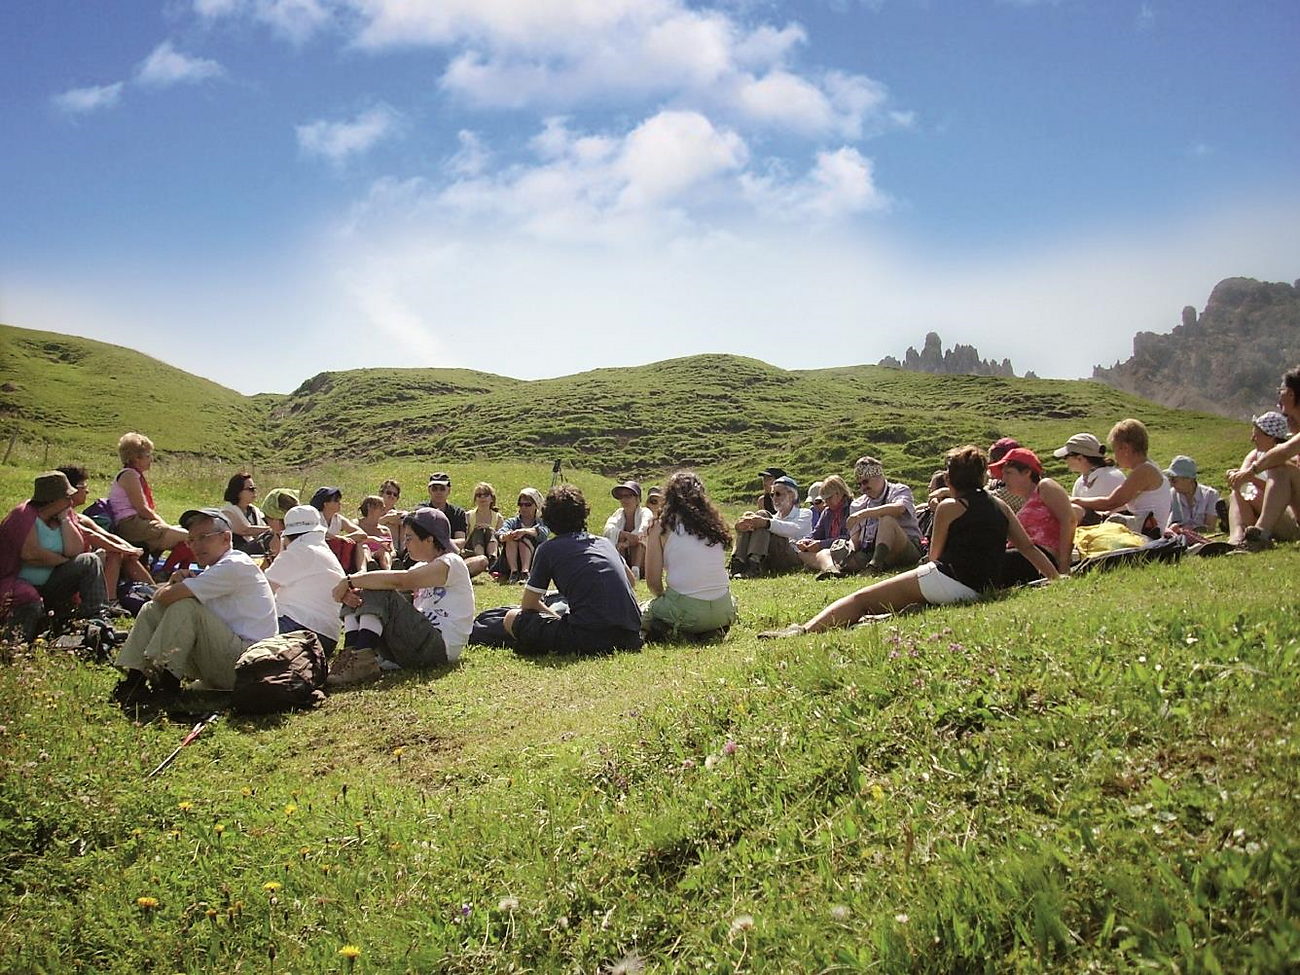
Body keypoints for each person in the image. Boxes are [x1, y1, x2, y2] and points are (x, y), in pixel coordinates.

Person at [759, 446, 1059, 638]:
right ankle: (898, 610)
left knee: (861, 599)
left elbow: (935, 557)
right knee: (903, 596)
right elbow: (1027, 548)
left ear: (950, 481)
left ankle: (804, 630)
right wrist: (1056, 577)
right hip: (981, 586)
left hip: (948, 580)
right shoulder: (1001, 506)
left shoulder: (950, 507)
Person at [113, 508, 277, 701]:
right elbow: (158, 602)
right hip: (229, 655)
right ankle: (134, 681)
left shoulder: (234, 565)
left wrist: (174, 586)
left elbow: (165, 597)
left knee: (185, 606)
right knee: (153, 610)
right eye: (191, 540)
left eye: (203, 538)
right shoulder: (216, 568)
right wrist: (175, 583)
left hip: (247, 666)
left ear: (226, 538)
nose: (196, 546)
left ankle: (167, 686)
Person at [327, 508, 474, 686]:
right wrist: (355, 591)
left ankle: (362, 658)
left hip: (437, 647)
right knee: (367, 586)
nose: (405, 544)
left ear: (429, 539)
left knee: (380, 583)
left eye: (409, 538)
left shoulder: (452, 562)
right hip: (414, 643)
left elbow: (401, 581)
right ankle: (352, 654)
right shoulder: (421, 566)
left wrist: (350, 581)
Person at [503, 485, 644, 655]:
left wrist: (556, 618)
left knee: (511, 617)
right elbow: (631, 581)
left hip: (587, 637)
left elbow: (529, 604)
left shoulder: (548, 549)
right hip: (630, 636)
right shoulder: (604, 543)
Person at [1, 471, 110, 639]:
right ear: (53, 499)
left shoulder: (65, 515)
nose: (71, 501)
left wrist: (65, 520)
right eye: (67, 497)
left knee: (90, 560)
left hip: (52, 581)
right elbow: (31, 555)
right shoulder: (23, 516)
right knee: (27, 595)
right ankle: (20, 641)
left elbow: (76, 550)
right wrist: (63, 561)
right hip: (19, 582)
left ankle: (97, 621)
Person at [642, 472, 737, 638]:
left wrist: (663, 599)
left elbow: (653, 582)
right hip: (725, 609)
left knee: (639, 611)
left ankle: (678, 629)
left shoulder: (660, 527)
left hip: (685, 609)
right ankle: (709, 628)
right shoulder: (714, 525)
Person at [56, 464, 151, 601]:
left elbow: (106, 535)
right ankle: (109, 601)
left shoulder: (79, 517)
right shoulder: (61, 516)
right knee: (114, 554)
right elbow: (92, 536)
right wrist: (123, 549)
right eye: (84, 486)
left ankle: (154, 592)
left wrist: (130, 549)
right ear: (72, 490)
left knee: (125, 554)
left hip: (82, 561)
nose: (87, 491)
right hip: (69, 566)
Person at [264, 505, 346, 653]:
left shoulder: (298, 552)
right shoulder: (320, 549)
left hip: (300, 628)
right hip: (326, 637)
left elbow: (262, 591)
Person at [1071, 419, 1171, 538]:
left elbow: (1110, 502)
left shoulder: (1144, 471)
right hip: (1144, 528)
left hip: (1145, 533)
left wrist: (1074, 500)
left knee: (1077, 512)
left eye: (1115, 450)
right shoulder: (1149, 468)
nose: (1115, 456)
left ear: (1125, 448)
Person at [988, 447, 1075, 582]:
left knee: (989, 563)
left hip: (1042, 556)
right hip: (1027, 556)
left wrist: (1064, 565)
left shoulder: (1045, 486)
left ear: (1027, 472)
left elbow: (1069, 520)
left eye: (1008, 473)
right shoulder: (1025, 502)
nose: (1003, 479)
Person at [1225, 410, 1300, 549]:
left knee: (1243, 488)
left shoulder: (1288, 461)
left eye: (1256, 435)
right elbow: (1240, 481)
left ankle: (1246, 535)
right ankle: (1238, 537)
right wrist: (1234, 476)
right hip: (1264, 515)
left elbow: (1280, 494)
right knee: (1238, 490)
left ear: (1271, 437)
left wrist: (1247, 478)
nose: (1252, 439)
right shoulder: (1254, 455)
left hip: (1287, 516)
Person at [839, 457, 923, 576]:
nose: (863, 488)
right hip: (870, 550)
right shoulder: (857, 504)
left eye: (865, 482)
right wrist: (849, 549)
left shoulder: (899, 490)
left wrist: (863, 514)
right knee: (828, 553)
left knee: (886, 519)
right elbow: (855, 538)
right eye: (859, 484)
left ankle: (874, 566)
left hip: (905, 548)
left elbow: (898, 509)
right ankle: (832, 569)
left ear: (879, 476)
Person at [107, 432, 186, 553]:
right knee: (189, 536)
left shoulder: (134, 474)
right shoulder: (129, 475)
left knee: (186, 533)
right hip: (129, 523)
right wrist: (164, 524)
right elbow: (142, 509)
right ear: (136, 458)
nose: (151, 459)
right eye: (148, 455)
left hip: (137, 522)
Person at [729, 475, 811, 577]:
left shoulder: (804, 513)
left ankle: (754, 564)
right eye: (772, 495)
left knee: (762, 516)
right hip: (771, 557)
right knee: (749, 516)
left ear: (791, 496)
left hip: (793, 556)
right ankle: (738, 563)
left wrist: (766, 523)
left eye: (778, 494)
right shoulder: (773, 517)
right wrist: (740, 527)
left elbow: (793, 529)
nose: (774, 498)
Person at [1053, 433, 1126, 526]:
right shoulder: (1080, 482)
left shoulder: (1112, 477)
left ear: (1080, 458)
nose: (1065, 460)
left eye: (1066, 457)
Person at [795, 475, 852, 578]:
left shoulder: (852, 508)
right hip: (827, 550)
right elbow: (816, 533)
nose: (826, 503)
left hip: (845, 550)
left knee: (824, 553)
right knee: (801, 553)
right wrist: (806, 541)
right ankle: (830, 567)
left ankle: (828, 567)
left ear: (838, 494)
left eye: (828, 498)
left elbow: (849, 537)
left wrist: (822, 544)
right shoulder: (827, 512)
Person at [496, 487, 549, 583]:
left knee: (524, 540)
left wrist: (524, 531)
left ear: (536, 505)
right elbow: (500, 534)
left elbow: (544, 534)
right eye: (520, 504)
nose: (523, 507)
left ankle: (525, 573)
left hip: (534, 560)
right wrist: (506, 536)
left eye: (527, 505)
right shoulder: (512, 522)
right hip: (511, 559)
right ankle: (514, 572)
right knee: (511, 539)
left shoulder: (541, 522)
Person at [602, 480, 652, 578]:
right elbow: (608, 529)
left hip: (644, 559)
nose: (624, 500)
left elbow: (642, 530)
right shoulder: (619, 513)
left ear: (637, 499)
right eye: (622, 496)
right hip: (624, 553)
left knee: (640, 543)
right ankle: (621, 571)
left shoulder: (645, 512)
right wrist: (623, 534)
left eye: (628, 496)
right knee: (618, 538)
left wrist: (627, 543)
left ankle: (636, 570)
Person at [1164, 455, 1220, 534]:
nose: (1171, 484)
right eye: (1170, 480)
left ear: (1188, 479)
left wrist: (1186, 530)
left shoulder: (1210, 495)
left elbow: (1210, 528)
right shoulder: (1171, 495)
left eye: (1174, 480)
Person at [220, 472, 270, 555]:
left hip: (252, 549)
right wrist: (272, 530)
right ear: (238, 491)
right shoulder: (227, 511)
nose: (254, 491)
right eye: (250, 489)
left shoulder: (254, 510)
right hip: (237, 552)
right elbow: (244, 530)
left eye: (255, 488)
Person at [465, 482, 504, 567]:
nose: (482, 497)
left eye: (486, 495)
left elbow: (501, 539)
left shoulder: (498, 518)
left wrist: (489, 529)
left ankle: (492, 558)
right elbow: (465, 537)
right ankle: (481, 558)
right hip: (472, 549)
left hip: (492, 546)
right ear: (475, 499)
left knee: (490, 531)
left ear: (492, 498)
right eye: (479, 495)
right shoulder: (468, 516)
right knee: (478, 531)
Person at [259, 488, 300, 565]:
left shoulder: (284, 541)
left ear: (276, 520)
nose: (267, 525)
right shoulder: (311, 535)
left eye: (266, 520)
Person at [356, 495, 394, 569]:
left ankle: (388, 570)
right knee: (364, 548)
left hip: (382, 556)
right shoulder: (357, 524)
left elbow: (392, 549)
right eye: (380, 506)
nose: (384, 508)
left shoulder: (385, 530)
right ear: (369, 507)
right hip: (363, 554)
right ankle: (370, 565)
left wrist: (391, 552)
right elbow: (355, 538)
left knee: (384, 552)